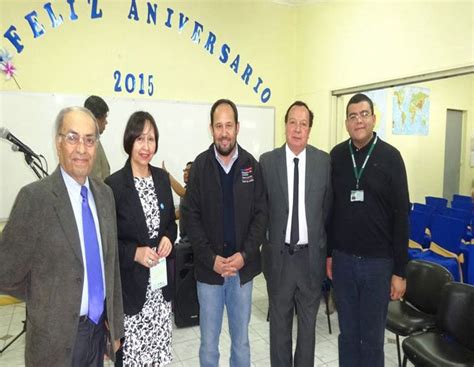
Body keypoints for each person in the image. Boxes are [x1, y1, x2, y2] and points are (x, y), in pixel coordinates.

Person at [0, 106, 124, 366]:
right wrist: (46, 296)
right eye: (72, 137)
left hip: (96, 333)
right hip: (53, 342)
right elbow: (5, 272)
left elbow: (111, 268)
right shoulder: (35, 199)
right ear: (58, 142)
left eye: (89, 140)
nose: (81, 148)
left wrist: (115, 326)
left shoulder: (105, 196)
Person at [327, 93, 410, 367]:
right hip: (344, 262)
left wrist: (400, 271)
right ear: (347, 123)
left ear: (374, 119)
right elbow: (330, 211)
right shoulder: (337, 156)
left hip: (378, 265)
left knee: (372, 339)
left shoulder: (391, 157)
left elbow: (401, 217)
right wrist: (329, 254)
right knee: (348, 335)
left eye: (364, 114)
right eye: (353, 116)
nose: (358, 120)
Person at [182, 98, 266, 367]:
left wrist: (244, 255)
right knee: (209, 344)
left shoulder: (252, 166)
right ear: (211, 129)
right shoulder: (200, 167)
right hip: (210, 274)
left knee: (241, 342)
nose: (224, 132)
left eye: (229, 125)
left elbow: (261, 216)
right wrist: (211, 259)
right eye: (219, 126)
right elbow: (190, 217)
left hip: (242, 272)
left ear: (238, 128)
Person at [260, 101, 332, 367]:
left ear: (310, 129)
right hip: (279, 259)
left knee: (307, 330)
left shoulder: (324, 162)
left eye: (304, 124)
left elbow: (328, 210)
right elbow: (261, 210)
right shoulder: (267, 162)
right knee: (279, 329)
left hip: (310, 258)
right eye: (293, 122)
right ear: (285, 126)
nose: (298, 129)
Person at [105, 111, 177, 366]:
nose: (146, 147)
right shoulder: (113, 185)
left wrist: (169, 237)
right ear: (130, 141)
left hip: (160, 293)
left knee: (158, 357)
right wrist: (135, 253)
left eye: (151, 139)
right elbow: (108, 243)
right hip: (132, 295)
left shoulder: (161, 178)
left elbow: (170, 223)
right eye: (140, 139)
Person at [85, 95, 110, 180]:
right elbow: (96, 181)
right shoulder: (89, 145)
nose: (106, 122)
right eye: (104, 118)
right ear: (95, 119)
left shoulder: (95, 140)